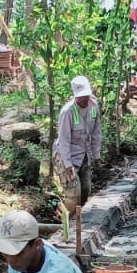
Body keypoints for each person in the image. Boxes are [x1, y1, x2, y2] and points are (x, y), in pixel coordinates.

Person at [55, 74, 103, 251]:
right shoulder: (68, 112)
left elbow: (97, 132)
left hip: (85, 155)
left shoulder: (93, 108)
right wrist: (67, 166)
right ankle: (68, 230)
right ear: (75, 96)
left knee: (85, 191)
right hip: (68, 156)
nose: (84, 99)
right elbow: (63, 141)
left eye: (86, 96)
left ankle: (79, 225)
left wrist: (96, 156)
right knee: (72, 194)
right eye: (80, 97)